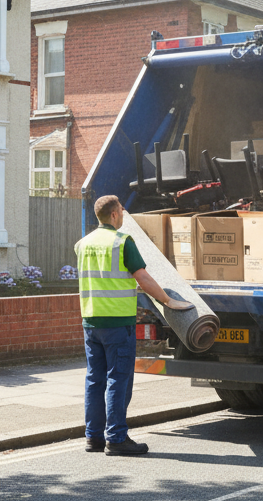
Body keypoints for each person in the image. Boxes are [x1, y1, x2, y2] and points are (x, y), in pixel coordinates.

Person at [75, 195, 192, 455]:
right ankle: (116, 438)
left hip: (91, 321)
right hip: (118, 323)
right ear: (114, 215)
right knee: (118, 379)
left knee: (95, 379)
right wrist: (167, 300)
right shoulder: (122, 242)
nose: (125, 215)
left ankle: (93, 437)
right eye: (122, 211)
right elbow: (143, 277)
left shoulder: (82, 244)